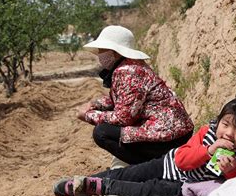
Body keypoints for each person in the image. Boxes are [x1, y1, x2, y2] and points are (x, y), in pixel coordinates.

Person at [54, 97, 236, 196]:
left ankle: (100, 187)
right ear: (218, 121)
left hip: (182, 187)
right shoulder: (207, 134)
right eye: (226, 124)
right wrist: (208, 151)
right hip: (168, 165)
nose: (229, 133)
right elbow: (182, 160)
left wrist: (232, 173)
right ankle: (80, 182)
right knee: (127, 173)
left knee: (146, 191)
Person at [77, 25, 194, 164]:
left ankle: (148, 167)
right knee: (107, 127)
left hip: (168, 135)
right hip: (175, 130)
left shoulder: (128, 71)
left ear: (116, 52)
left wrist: (88, 115)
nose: (99, 54)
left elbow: (123, 118)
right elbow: (123, 100)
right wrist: (94, 104)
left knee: (102, 132)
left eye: (103, 50)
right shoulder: (132, 66)